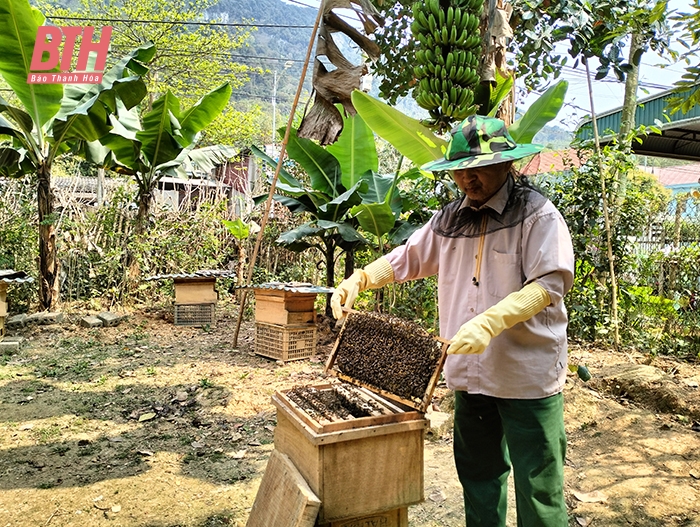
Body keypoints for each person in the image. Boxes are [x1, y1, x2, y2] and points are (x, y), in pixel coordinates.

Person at [330, 115, 575, 527]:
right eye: (460, 170)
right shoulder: (448, 218)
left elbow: (549, 285)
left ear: (506, 164)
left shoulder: (538, 215)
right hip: (468, 373)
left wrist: (492, 321)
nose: (467, 179)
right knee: (479, 477)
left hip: (526, 375)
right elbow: (407, 258)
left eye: (477, 168)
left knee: (539, 485)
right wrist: (362, 277)